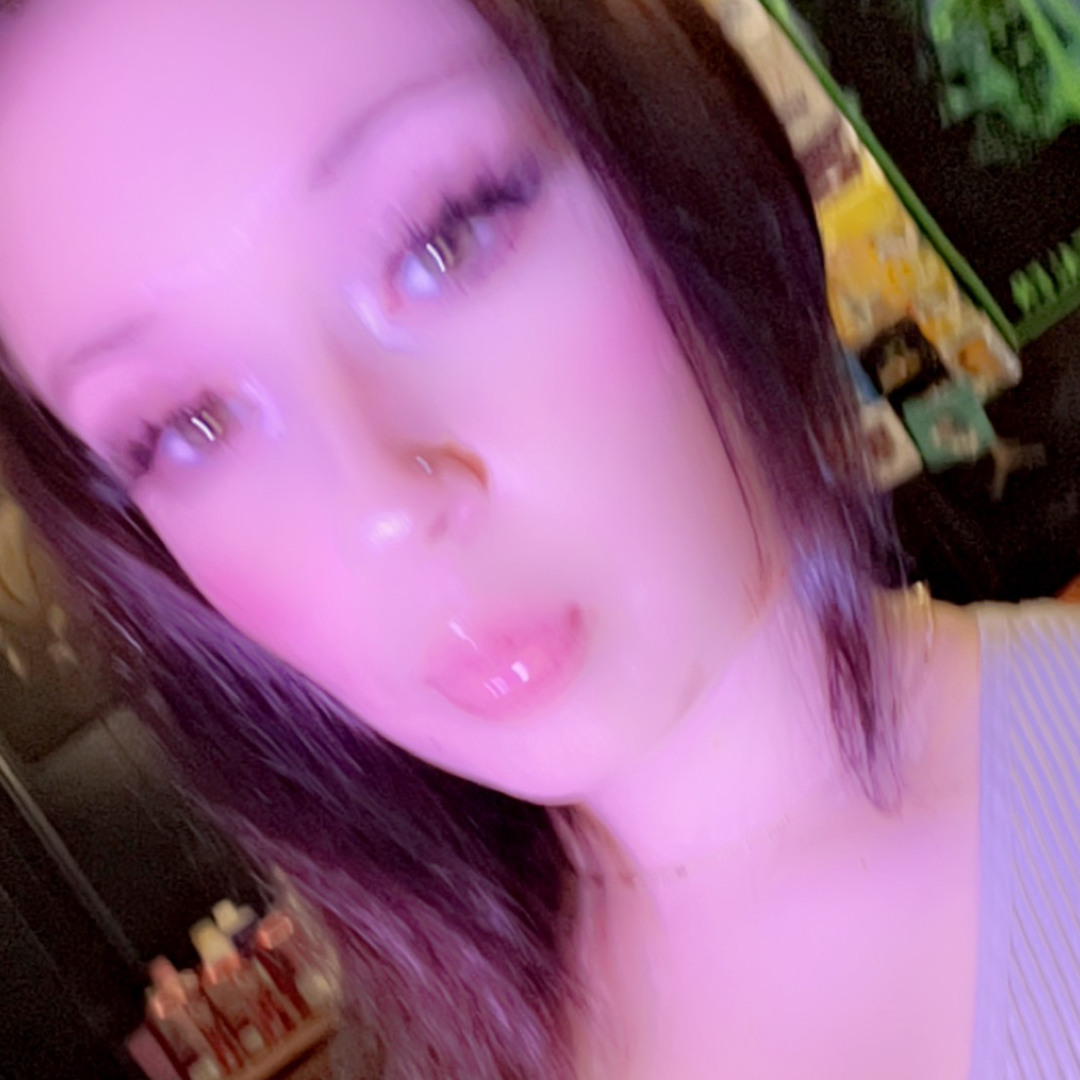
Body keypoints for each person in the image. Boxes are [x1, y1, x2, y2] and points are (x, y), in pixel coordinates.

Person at [0, 1, 1076, 1078]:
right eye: (187, 425)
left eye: (447, 235)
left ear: (662, 142)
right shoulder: (438, 1035)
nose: (380, 501)